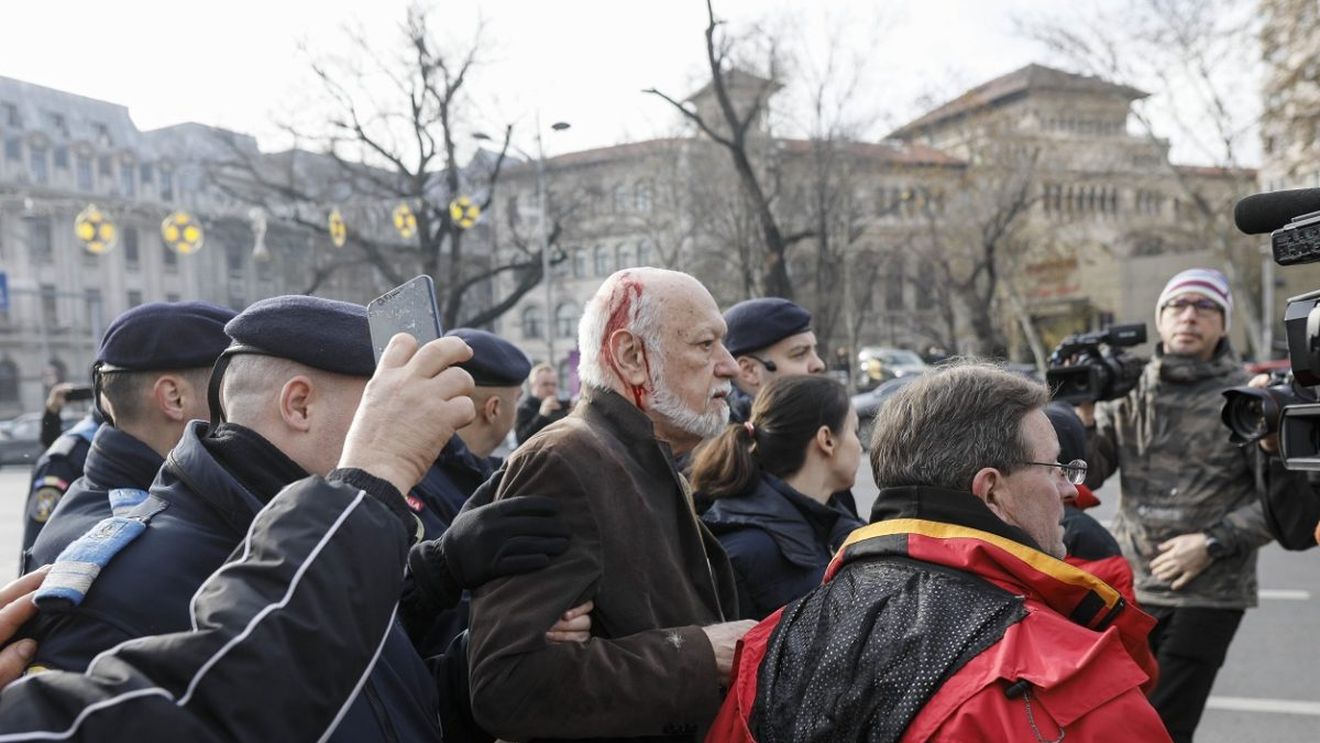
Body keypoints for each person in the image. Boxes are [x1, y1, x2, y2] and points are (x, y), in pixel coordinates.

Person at [20, 296, 571, 743]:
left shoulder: (334, 540)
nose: (422, 430)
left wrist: (484, 660)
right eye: (387, 402)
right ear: (299, 405)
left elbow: (375, 701)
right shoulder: (127, 583)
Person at [709, 362, 1168, 742]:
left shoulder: (773, 643)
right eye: (1055, 468)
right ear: (990, 492)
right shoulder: (1064, 682)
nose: (1070, 489)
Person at [467, 268, 755, 741]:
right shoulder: (566, 461)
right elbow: (507, 686)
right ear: (631, 356)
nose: (728, 365)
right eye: (706, 345)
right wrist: (702, 653)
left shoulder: (645, 456)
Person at [1078, 268, 1308, 743]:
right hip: (1131, 585)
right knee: (1112, 720)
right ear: (1160, 321)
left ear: (1224, 324)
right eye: (1177, 306)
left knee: (1163, 727)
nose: (1189, 316)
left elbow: (1282, 505)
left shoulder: (1251, 399)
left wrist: (1211, 542)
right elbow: (1089, 474)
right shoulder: (1130, 392)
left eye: (1205, 307)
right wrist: (1082, 412)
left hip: (1210, 591)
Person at [24, 302, 235, 576]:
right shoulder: (144, 554)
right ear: (174, 397)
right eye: (233, 387)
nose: (242, 404)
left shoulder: (170, 509)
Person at [694, 375, 865, 619]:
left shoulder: (837, 525)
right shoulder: (743, 551)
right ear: (826, 440)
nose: (859, 446)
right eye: (854, 431)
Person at [721, 298, 825, 423]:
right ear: (749, 371)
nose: (819, 365)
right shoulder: (711, 437)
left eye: (815, 351)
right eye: (800, 353)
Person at [515, 362, 569, 444]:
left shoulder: (560, 406)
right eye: (545, 384)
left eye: (553, 384)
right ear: (532, 386)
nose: (550, 389)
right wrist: (541, 416)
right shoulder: (524, 408)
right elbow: (521, 441)